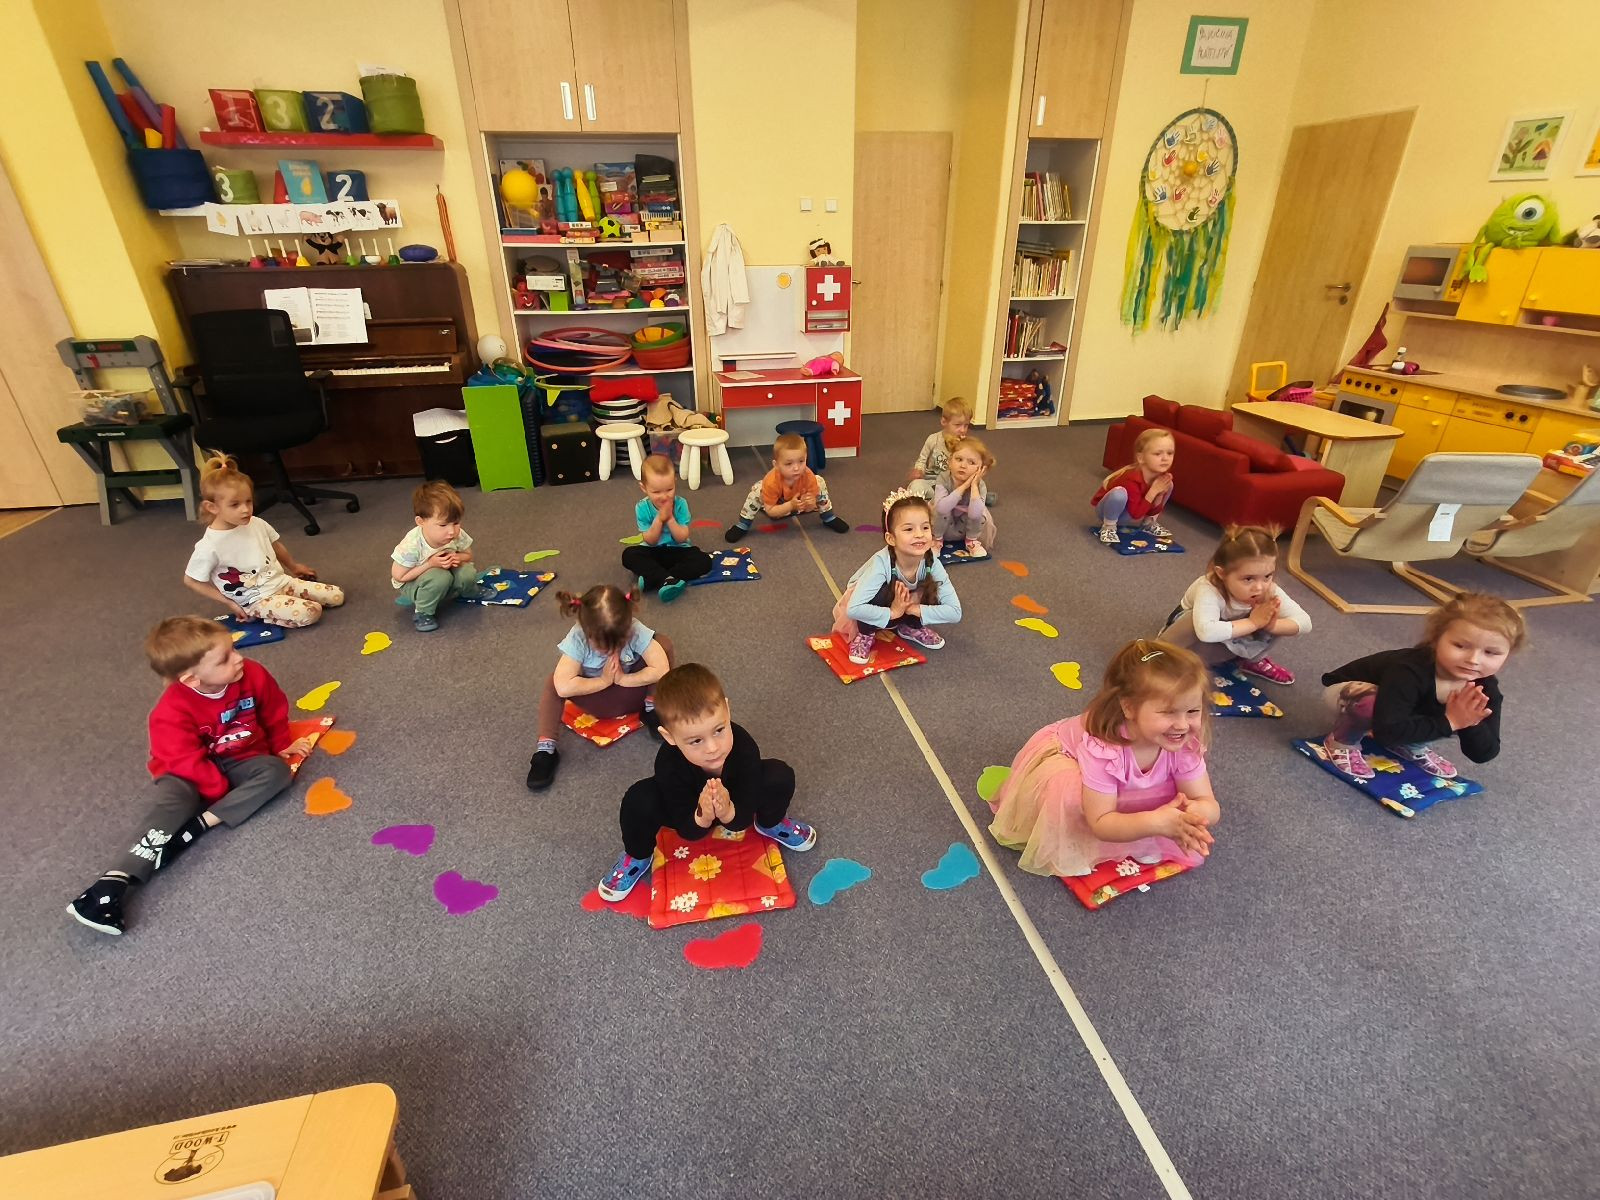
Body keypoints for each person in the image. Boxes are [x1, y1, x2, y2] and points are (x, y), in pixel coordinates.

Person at [66, 616, 313, 935]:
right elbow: (183, 760)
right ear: (192, 680)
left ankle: (198, 826)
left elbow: (273, 710)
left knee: (276, 772)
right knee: (173, 803)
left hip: (238, 758)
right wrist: (217, 790)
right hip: (184, 770)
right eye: (225, 659)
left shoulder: (252, 673)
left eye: (234, 648)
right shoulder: (169, 712)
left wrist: (280, 745)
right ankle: (110, 884)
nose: (238, 658)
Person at [988, 639, 1220, 878]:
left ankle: (1143, 835)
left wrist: (1194, 813)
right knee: (1070, 793)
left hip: (1113, 784)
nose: (1182, 725)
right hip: (1066, 757)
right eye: (1168, 712)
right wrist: (1155, 823)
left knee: (1167, 792)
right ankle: (1077, 843)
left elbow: (1208, 803)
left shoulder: (1184, 745)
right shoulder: (1105, 748)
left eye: (1193, 711)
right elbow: (1100, 822)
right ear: (1129, 708)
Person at [597, 663, 817, 901]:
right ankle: (638, 855)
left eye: (719, 730)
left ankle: (771, 823)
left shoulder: (743, 746)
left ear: (727, 711)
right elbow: (686, 830)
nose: (713, 748)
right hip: (689, 811)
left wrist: (729, 810)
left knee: (779, 775)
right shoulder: (669, 762)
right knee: (639, 799)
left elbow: (743, 812)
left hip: (736, 801)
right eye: (696, 741)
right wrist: (702, 815)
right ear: (669, 737)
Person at [1319, 592, 1524, 780]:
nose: (1473, 660)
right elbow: (1385, 733)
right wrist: (1450, 721)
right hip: (1345, 695)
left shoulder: (1485, 688)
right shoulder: (1409, 670)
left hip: (1397, 711)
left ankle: (1410, 744)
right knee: (1371, 702)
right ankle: (1341, 741)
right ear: (1436, 639)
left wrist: (1469, 721)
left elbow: (1485, 753)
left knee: (1466, 711)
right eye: (1460, 646)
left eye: (1490, 653)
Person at [526, 584, 675, 791]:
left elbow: (661, 669)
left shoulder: (634, 628)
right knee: (554, 682)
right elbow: (562, 686)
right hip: (599, 700)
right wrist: (604, 681)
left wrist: (623, 679)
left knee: (663, 644)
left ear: (628, 625)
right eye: (604, 647)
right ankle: (546, 749)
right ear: (586, 633)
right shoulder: (578, 638)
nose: (612, 651)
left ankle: (652, 707)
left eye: (619, 643)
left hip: (632, 692)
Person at [182, 454, 344, 628]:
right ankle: (262, 615)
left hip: (282, 582)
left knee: (337, 596)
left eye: (248, 501)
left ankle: (286, 604)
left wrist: (294, 566)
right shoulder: (209, 546)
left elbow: (275, 545)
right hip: (257, 599)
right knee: (312, 611)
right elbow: (191, 580)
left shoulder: (256, 523)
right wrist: (229, 603)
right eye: (235, 505)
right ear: (212, 507)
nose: (246, 510)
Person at [1157, 525, 1311, 684]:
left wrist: (1271, 625)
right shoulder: (1209, 588)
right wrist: (1254, 623)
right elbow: (1206, 632)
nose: (1259, 587)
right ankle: (1160, 655)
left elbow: (1305, 622)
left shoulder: (1269, 590)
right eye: (1248, 579)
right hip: (1190, 642)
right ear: (1221, 573)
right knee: (1194, 621)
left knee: (1272, 613)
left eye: (1267, 576)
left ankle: (1250, 659)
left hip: (1227, 641)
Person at [833, 489, 962, 664]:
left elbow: (955, 612)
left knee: (932, 587)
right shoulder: (881, 564)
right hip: (869, 599)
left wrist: (912, 609)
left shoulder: (932, 562)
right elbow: (854, 609)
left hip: (904, 604)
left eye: (925, 527)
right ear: (891, 538)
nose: (919, 534)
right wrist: (893, 612)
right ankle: (865, 633)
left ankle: (910, 626)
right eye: (909, 529)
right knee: (880, 592)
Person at [390, 480, 498, 632]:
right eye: (443, 525)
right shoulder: (412, 545)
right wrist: (430, 564)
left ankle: (469, 591)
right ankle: (423, 612)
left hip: (444, 573)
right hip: (412, 582)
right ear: (420, 522)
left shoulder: (456, 533)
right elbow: (399, 577)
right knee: (439, 577)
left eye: (456, 523)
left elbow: (468, 555)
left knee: (466, 571)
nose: (451, 531)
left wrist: (459, 558)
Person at [724, 432, 850, 542]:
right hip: (776, 505)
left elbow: (810, 507)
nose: (796, 468)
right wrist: (790, 506)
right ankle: (743, 524)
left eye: (801, 461)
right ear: (776, 465)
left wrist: (810, 502)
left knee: (819, 481)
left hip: (797, 502)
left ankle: (828, 517)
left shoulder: (807, 475)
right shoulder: (771, 482)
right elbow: (771, 512)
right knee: (758, 489)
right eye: (789, 464)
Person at [622, 454, 713, 602]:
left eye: (669, 489)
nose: (664, 497)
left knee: (704, 561)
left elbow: (682, 538)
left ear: (674, 483)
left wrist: (670, 518)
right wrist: (659, 519)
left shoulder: (681, 504)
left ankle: (655, 578)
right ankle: (667, 578)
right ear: (644, 488)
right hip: (653, 550)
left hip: (678, 549)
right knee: (629, 555)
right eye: (656, 492)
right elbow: (651, 540)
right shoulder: (642, 507)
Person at [1092, 429, 1175, 545]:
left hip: (1134, 510)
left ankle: (1148, 523)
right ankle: (1108, 527)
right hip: (1108, 511)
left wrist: (1159, 494)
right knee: (1119, 494)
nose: (1165, 458)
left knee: (1169, 485)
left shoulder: (1162, 476)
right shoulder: (1131, 479)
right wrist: (1153, 491)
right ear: (1141, 458)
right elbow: (1136, 515)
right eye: (1157, 454)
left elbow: (1152, 509)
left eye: (1170, 453)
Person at [933, 435, 996, 558]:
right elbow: (942, 508)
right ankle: (936, 541)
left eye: (971, 462)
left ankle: (971, 541)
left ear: (981, 469)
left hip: (964, 528)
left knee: (981, 512)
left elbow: (975, 514)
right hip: (943, 527)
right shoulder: (943, 479)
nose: (963, 465)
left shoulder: (980, 485)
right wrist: (964, 486)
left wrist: (973, 486)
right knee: (937, 509)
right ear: (950, 462)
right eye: (959, 459)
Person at [907, 396, 973, 501]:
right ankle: (936, 501)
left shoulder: (966, 445)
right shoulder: (933, 439)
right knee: (916, 486)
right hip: (931, 482)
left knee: (973, 487)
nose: (963, 430)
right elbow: (922, 460)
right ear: (944, 422)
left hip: (952, 486)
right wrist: (919, 470)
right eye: (958, 425)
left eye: (966, 425)